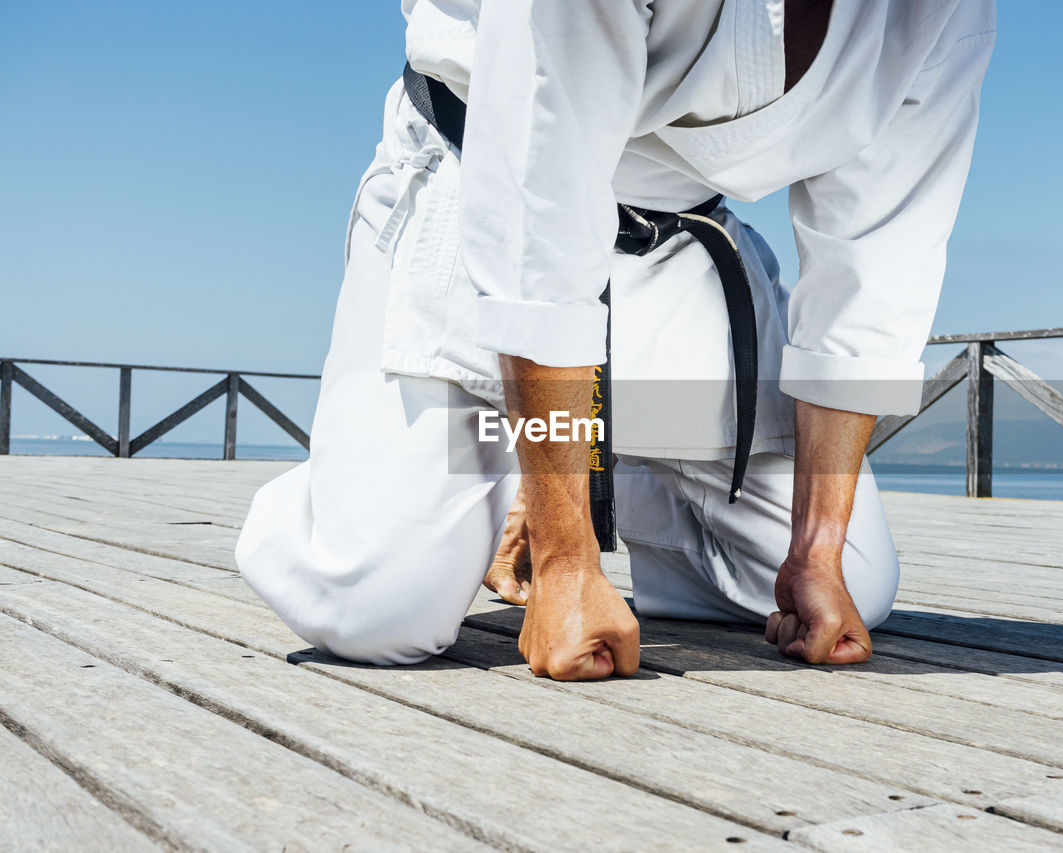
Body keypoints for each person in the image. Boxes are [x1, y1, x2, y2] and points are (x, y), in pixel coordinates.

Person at [236, 0, 995, 681]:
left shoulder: (943, 12)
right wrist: (568, 553)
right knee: (377, 603)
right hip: (482, 193)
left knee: (854, 579)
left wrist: (817, 550)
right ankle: (379, 481)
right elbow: (542, 214)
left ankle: (580, 465)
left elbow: (875, 267)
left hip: (679, 248)